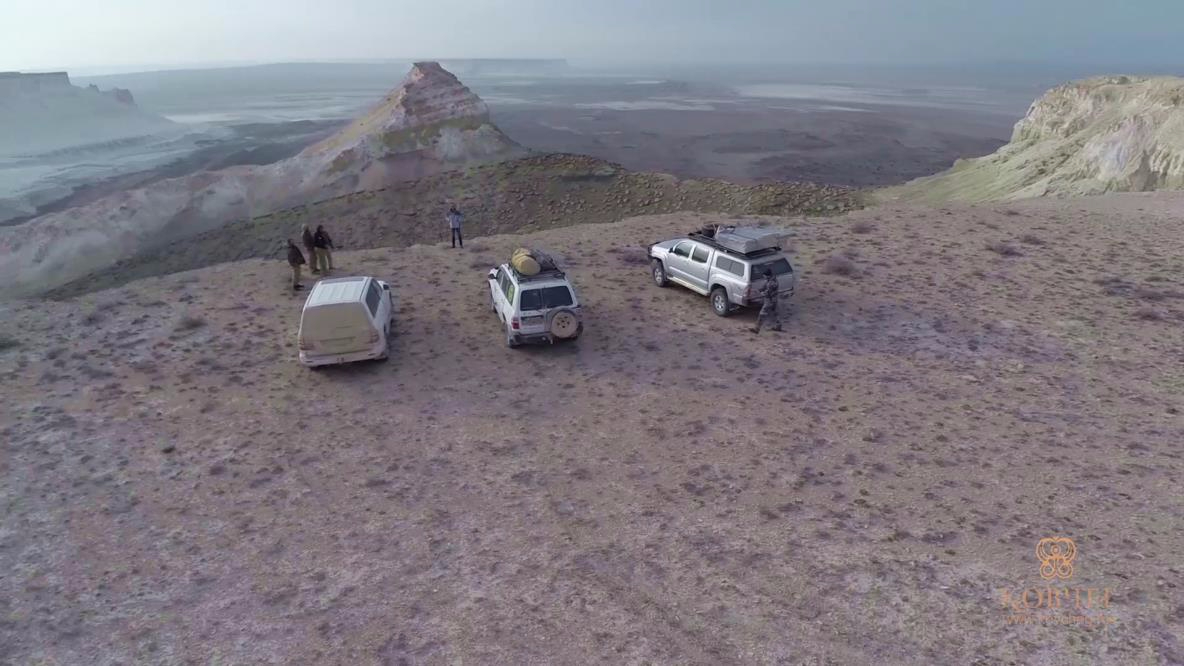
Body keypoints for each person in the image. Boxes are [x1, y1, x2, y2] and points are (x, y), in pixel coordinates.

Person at [750, 268, 782, 334]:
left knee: (762, 314)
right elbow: (764, 287)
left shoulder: (771, 283)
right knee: (776, 313)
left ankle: (757, 329)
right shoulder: (772, 280)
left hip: (769, 301)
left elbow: (767, 293)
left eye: (764, 275)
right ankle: (778, 326)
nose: (763, 277)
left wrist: (760, 293)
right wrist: (759, 290)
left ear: (767, 275)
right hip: (774, 300)